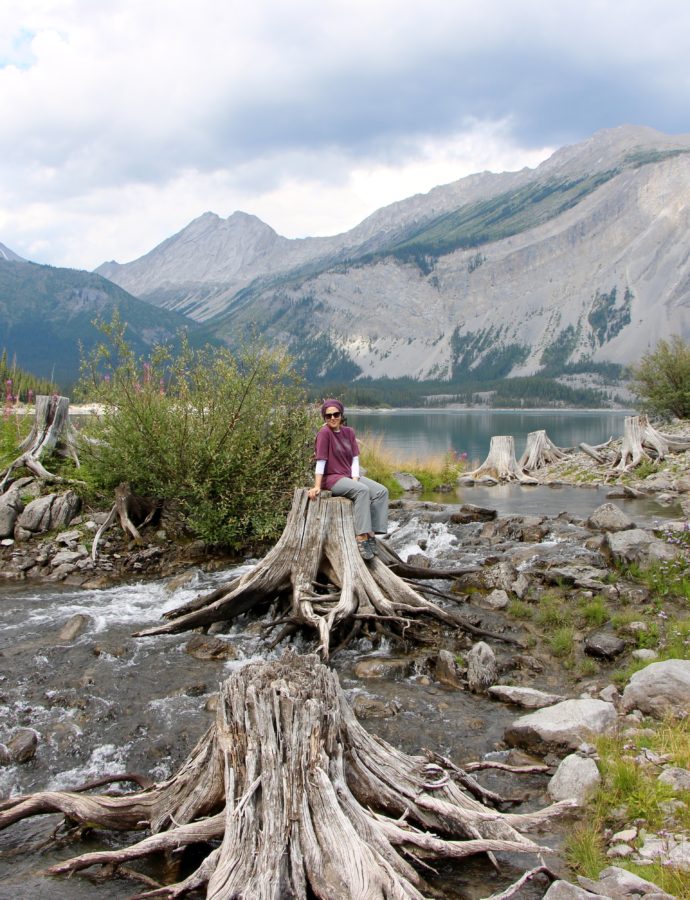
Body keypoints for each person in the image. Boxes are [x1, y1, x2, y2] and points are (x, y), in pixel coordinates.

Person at [307, 399, 388, 560]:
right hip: (331, 478)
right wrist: (317, 486)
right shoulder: (324, 433)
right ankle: (361, 537)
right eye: (328, 415)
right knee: (362, 491)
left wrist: (355, 478)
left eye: (335, 414)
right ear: (324, 417)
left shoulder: (349, 432)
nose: (332, 418)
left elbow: (355, 460)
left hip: (348, 475)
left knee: (381, 491)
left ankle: (371, 532)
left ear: (341, 414)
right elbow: (321, 460)